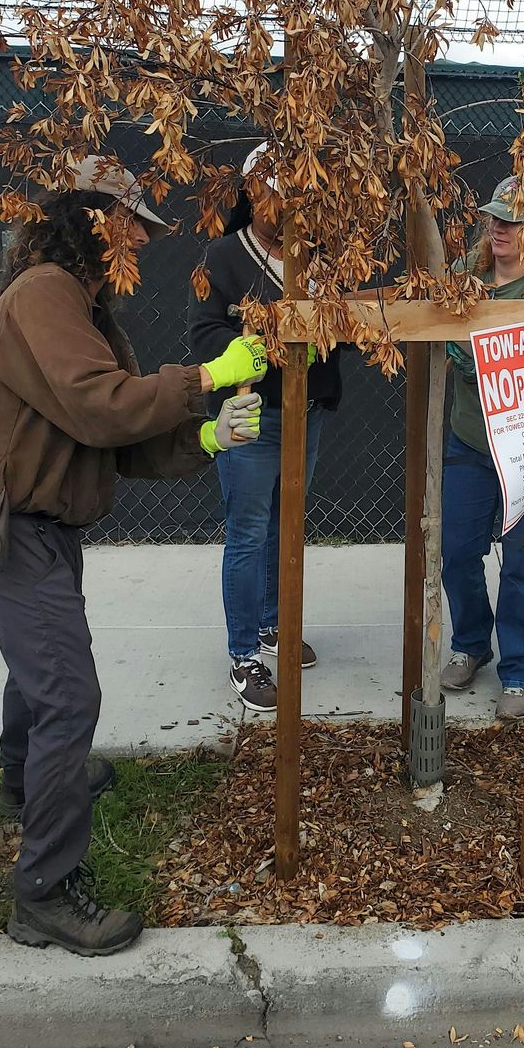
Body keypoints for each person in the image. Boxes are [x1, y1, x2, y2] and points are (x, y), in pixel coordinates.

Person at [0, 156, 266, 955]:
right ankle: (44, 894)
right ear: (88, 222)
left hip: (42, 521)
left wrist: (209, 437)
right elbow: (99, 405)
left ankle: (27, 786)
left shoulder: (80, 303)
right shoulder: (45, 293)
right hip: (10, 522)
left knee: (40, 673)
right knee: (69, 695)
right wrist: (210, 375)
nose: (140, 245)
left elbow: (108, 436)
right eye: (128, 228)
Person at [188, 142, 344, 713]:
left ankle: (275, 625)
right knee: (249, 530)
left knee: (287, 523)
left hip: (308, 414)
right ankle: (242, 654)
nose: (290, 202)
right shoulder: (223, 257)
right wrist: (256, 345)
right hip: (253, 416)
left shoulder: (316, 254)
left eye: (299, 191)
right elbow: (204, 335)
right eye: (278, 189)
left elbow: (338, 326)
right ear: (253, 195)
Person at [440, 175, 524, 721]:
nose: (500, 227)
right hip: (470, 438)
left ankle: (518, 669)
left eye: (514, 219)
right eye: (496, 216)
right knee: (456, 548)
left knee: (523, 558)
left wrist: (471, 353)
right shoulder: (462, 278)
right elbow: (446, 340)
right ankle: (472, 642)